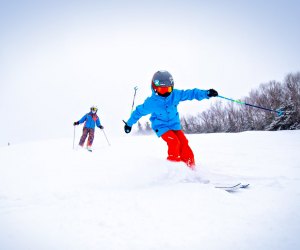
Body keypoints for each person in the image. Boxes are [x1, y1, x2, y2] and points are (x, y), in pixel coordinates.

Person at [123, 70, 218, 169]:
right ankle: (172, 169)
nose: (165, 93)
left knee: (183, 142)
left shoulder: (175, 95)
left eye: (167, 90)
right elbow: (138, 112)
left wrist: (206, 93)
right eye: (161, 90)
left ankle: (190, 167)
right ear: (155, 88)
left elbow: (191, 93)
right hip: (161, 126)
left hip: (174, 124)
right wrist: (129, 124)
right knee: (174, 142)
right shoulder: (151, 102)